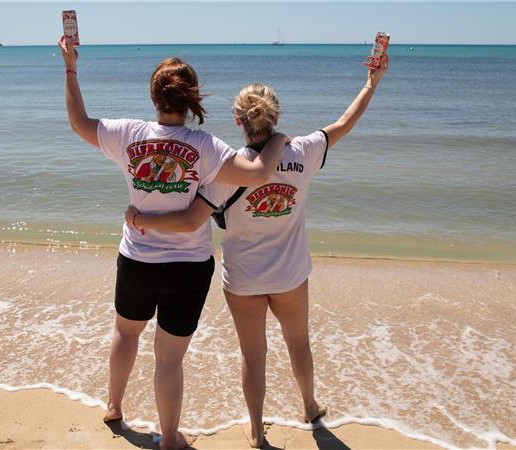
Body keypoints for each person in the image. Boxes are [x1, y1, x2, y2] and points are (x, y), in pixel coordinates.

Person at [126, 54, 389, 448]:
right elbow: (344, 124)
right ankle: (310, 406)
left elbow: (190, 220)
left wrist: (141, 217)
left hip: (244, 279)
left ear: (238, 121)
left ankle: (255, 430)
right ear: (276, 115)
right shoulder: (302, 152)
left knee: (254, 355)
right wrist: (371, 83)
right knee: (298, 343)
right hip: (290, 275)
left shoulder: (226, 173)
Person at [57, 36, 287, 450]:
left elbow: (78, 122)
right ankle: (169, 439)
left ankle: (114, 406)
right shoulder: (204, 146)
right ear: (191, 97)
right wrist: (277, 140)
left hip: (136, 260)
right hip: (187, 267)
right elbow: (256, 174)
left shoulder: (127, 133)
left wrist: (70, 67)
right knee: (169, 357)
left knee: (126, 334)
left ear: (154, 95)